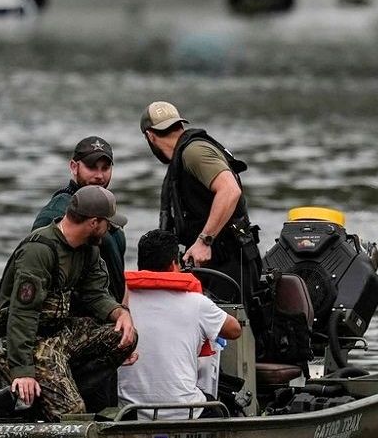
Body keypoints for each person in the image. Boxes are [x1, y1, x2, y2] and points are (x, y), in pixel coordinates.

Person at [0, 185, 138, 421]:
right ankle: (16, 397)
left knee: (124, 337)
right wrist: (22, 371)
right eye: (108, 224)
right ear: (94, 223)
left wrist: (120, 313)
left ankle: (57, 389)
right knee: (72, 415)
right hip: (22, 342)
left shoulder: (88, 250)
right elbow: (22, 315)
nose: (110, 230)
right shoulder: (39, 251)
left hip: (58, 336)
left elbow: (96, 294)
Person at [32, 136, 129, 411]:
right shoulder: (58, 213)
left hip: (103, 328)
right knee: (86, 411)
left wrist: (123, 321)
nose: (99, 175)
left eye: (105, 168)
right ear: (74, 167)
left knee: (106, 410)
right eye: (91, 167)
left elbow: (115, 277)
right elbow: (41, 277)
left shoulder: (106, 211)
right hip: (73, 335)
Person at [139, 101, 262, 313]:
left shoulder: (194, 152)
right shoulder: (182, 157)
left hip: (230, 263)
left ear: (150, 136)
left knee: (231, 337)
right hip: (213, 264)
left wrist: (205, 240)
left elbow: (230, 190)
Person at [118, 229, 241, 420]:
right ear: (173, 264)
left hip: (130, 413)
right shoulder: (196, 303)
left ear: (140, 265)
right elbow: (234, 330)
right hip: (185, 411)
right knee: (225, 406)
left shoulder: (120, 303)